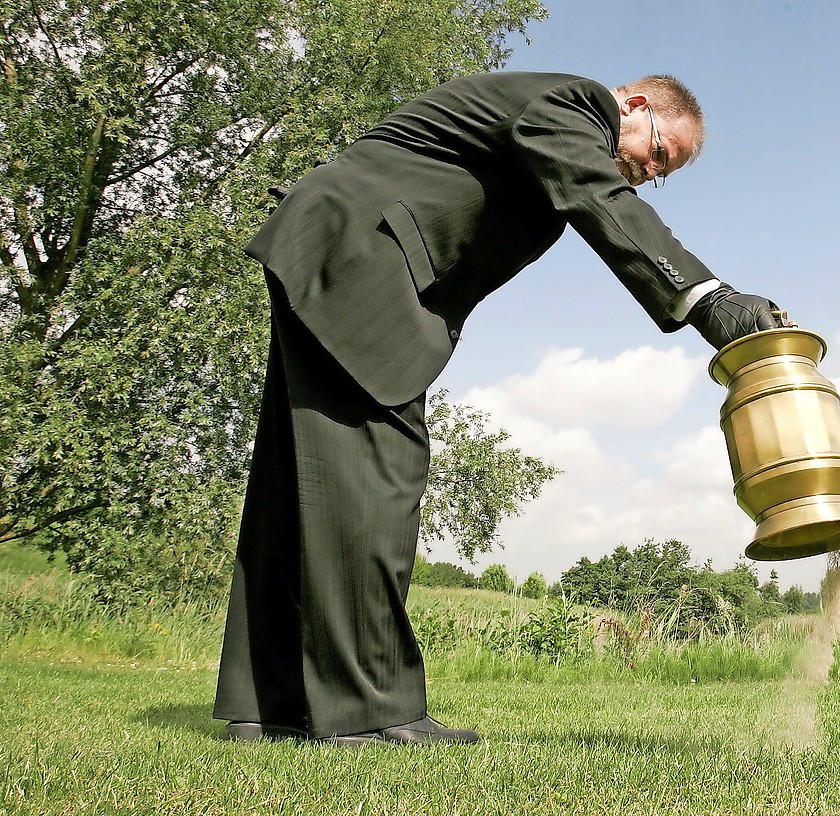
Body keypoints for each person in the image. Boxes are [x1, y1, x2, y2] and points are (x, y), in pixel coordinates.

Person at [213, 71, 785, 746]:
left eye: (662, 174)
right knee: (377, 477)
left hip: (336, 246)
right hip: (360, 254)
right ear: (632, 105)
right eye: (659, 154)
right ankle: (369, 714)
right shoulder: (576, 106)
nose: (647, 174)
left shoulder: (556, 132)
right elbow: (597, 195)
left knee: (303, 481)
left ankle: (270, 705)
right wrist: (706, 297)